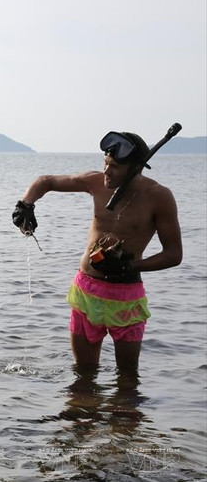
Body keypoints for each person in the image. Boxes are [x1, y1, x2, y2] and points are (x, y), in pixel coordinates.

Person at [13, 131, 183, 375]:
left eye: (114, 167)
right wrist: (25, 206)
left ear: (135, 168)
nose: (106, 171)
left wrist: (129, 266)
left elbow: (174, 255)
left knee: (127, 377)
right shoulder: (95, 183)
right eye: (105, 163)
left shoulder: (159, 197)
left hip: (126, 298)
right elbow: (45, 181)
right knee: (83, 373)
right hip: (86, 292)